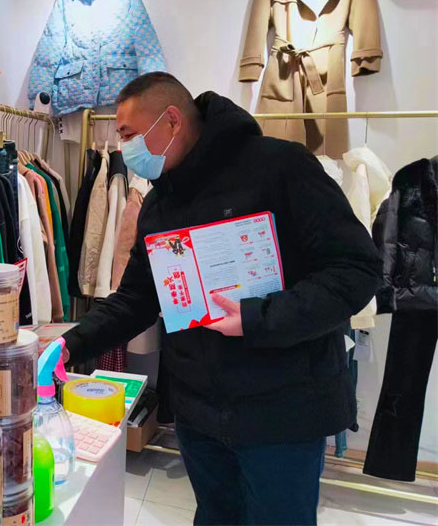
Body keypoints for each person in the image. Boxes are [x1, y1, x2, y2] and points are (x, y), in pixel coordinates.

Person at [61, 73, 382, 525]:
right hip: (199, 415)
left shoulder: (281, 167)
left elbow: (356, 269)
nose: (124, 147)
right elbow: (136, 298)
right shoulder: (159, 204)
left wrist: (257, 317)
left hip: (282, 413)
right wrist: (70, 343)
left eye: (129, 134)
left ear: (172, 121)